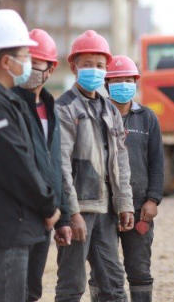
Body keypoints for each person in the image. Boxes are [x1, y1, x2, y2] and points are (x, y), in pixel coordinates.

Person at [0, 10, 60, 301]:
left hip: (12, 226)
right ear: (5, 61)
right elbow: (16, 164)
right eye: (25, 55)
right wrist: (48, 204)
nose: (28, 62)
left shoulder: (3, 99)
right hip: (5, 230)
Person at [55, 30, 135, 302]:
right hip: (80, 209)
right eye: (87, 64)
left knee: (114, 283)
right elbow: (61, 164)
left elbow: (121, 160)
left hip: (106, 210)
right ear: (73, 66)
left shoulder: (109, 110)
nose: (94, 70)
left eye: (100, 65)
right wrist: (72, 212)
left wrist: (125, 203)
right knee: (71, 285)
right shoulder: (64, 108)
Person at [88, 55, 164, 302]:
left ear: (136, 82)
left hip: (140, 206)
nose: (124, 84)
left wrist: (153, 199)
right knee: (101, 271)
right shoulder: (96, 117)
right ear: (107, 84)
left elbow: (157, 161)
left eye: (129, 80)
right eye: (117, 80)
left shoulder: (147, 117)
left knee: (139, 269)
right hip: (102, 207)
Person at [13, 28, 72, 301]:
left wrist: (63, 219)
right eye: (25, 59)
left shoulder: (51, 108)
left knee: (32, 290)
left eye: (35, 62)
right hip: (16, 217)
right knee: (10, 289)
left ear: (51, 69)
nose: (28, 67)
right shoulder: (9, 104)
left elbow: (56, 167)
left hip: (45, 217)